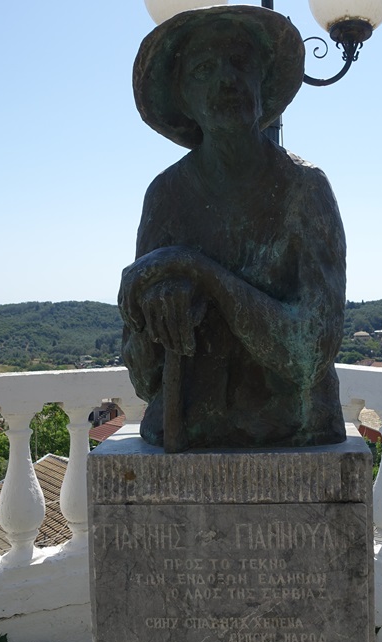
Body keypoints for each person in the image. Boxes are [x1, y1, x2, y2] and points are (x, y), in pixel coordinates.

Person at [120, 6, 346, 450]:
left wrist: (196, 271)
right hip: (183, 426)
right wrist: (156, 312)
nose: (227, 80)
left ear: (262, 81)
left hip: (294, 427)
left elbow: (309, 355)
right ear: (183, 96)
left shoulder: (305, 189)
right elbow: (144, 376)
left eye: (240, 63)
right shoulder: (166, 196)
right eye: (205, 69)